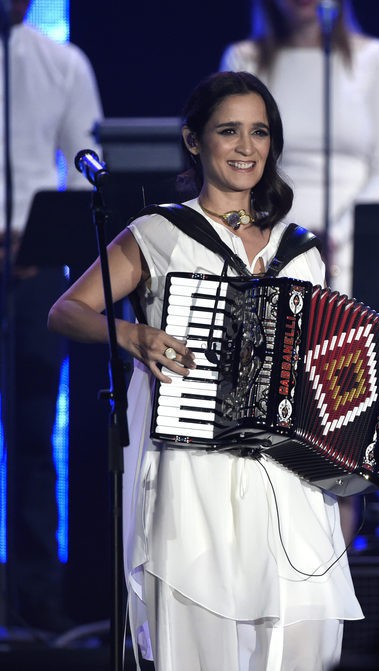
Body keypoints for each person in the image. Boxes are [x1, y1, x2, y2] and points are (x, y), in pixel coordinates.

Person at [47, 71, 379, 670]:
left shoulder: (299, 249)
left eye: (260, 132)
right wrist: (132, 333)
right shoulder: (159, 234)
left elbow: (332, 358)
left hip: (287, 476)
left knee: (299, 643)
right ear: (194, 141)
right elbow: (66, 310)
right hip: (191, 471)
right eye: (229, 131)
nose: (247, 146)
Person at [0, 0, 103, 631]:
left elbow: (87, 166)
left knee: (34, 438)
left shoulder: (61, 63)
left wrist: (35, 236)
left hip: (31, 268)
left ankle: (36, 608)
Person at [219, 0, 379, 298]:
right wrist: (277, 234)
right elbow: (230, 160)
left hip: (353, 248)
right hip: (267, 239)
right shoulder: (245, 59)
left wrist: (337, 234)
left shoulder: (373, 58)